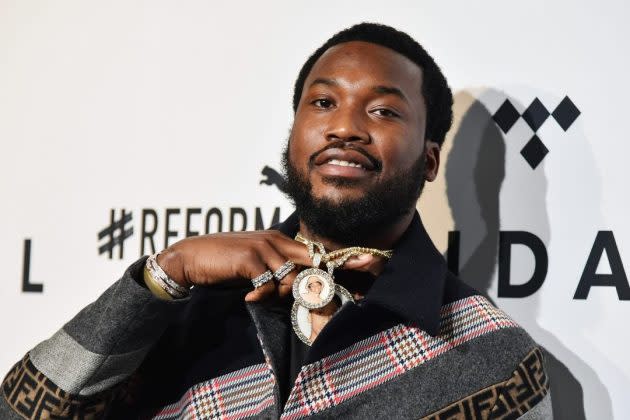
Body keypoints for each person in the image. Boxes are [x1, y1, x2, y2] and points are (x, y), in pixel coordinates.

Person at [1, 22, 552, 419]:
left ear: (430, 160)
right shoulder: (186, 298)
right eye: (321, 103)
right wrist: (163, 274)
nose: (345, 128)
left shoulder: (494, 361)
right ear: (292, 136)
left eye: (382, 110)